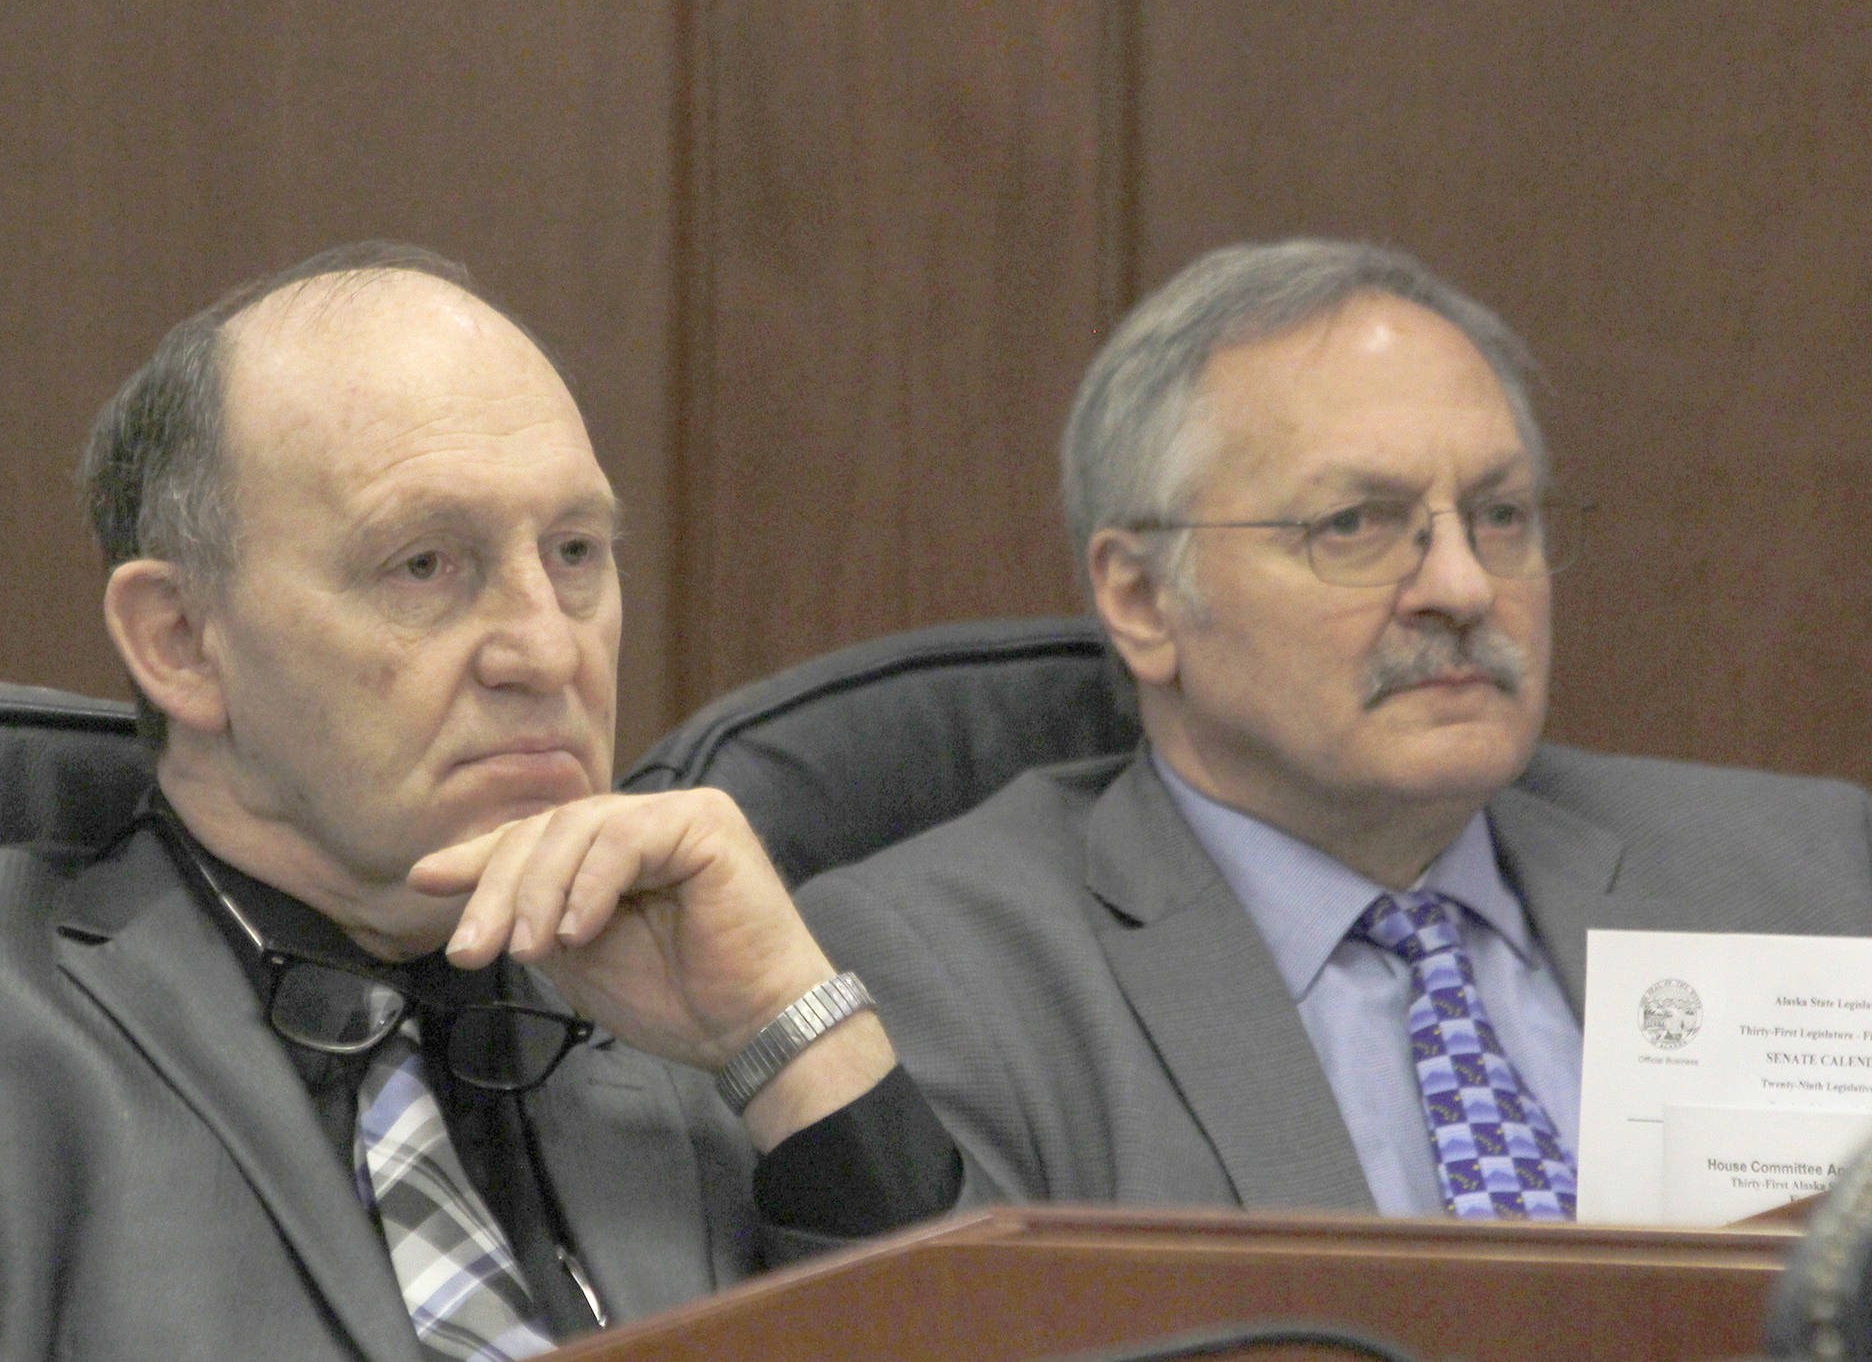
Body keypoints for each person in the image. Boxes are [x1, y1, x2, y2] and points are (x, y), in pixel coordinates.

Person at [0, 242, 962, 1360]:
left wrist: (784, 1030)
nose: (545, 648)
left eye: (574, 552)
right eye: (424, 564)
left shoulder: (699, 1020)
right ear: (180, 640)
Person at [797, 237, 1872, 1221]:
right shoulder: (950, 974)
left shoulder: (1810, 883)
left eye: (1498, 514)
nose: (1459, 584)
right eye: (1351, 524)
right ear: (1138, 598)